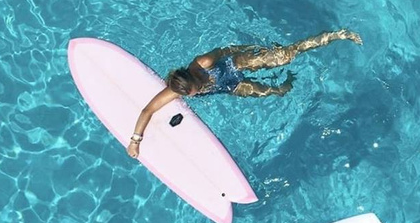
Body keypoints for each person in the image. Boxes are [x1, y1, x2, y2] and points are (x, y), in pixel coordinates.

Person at [127, 29, 363, 158]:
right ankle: (289, 82)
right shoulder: (178, 89)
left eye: (191, 92)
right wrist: (135, 141)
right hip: (229, 87)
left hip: (233, 65)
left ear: (192, 80)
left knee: (286, 56)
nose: (189, 96)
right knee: (275, 92)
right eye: (185, 95)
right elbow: (148, 109)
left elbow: (227, 50)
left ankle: (336, 35)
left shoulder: (204, 62)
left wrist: (254, 53)